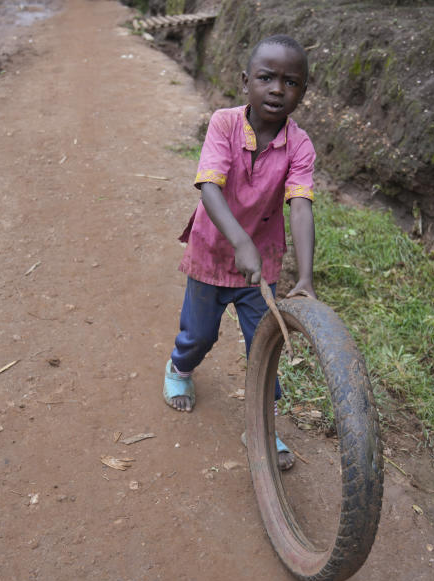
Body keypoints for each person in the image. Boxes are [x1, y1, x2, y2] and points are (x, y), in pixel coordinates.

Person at [162, 34, 316, 470]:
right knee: (200, 335)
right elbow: (209, 186)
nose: (277, 89)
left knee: (263, 346)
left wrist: (304, 277)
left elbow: (301, 205)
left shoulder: (300, 144)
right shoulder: (225, 124)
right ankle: (179, 369)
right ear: (246, 81)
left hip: (260, 266)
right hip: (212, 253)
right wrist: (240, 242)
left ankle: (262, 426)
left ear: (302, 92)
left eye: (291, 82)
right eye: (266, 78)